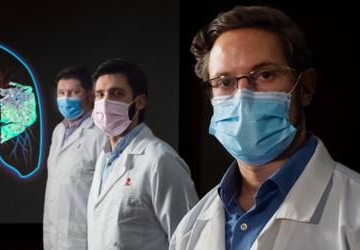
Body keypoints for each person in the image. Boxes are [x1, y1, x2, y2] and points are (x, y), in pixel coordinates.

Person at [170, 5, 360, 250]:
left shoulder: (354, 213)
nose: (243, 96)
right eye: (225, 81)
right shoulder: (190, 229)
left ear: (306, 87)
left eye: (265, 75)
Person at [86, 58, 199, 250]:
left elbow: (190, 240)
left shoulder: (160, 160)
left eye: (116, 93)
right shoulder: (104, 158)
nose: (105, 103)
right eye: (100, 94)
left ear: (139, 102)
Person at [43, 66, 106, 250]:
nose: (65, 98)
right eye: (61, 93)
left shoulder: (100, 134)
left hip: (83, 238)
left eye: (73, 92)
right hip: (54, 235)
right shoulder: (58, 131)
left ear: (90, 95)